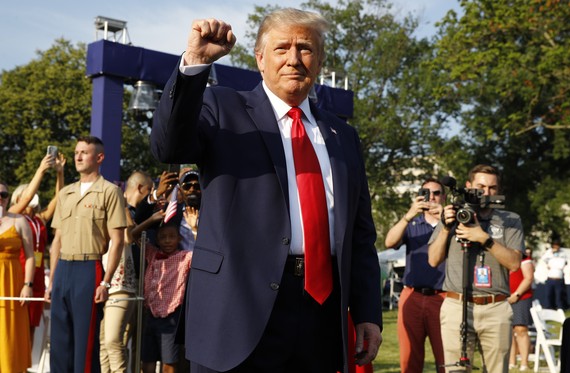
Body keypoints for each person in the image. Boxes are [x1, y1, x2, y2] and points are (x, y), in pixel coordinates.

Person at [150, 7, 382, 373]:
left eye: (305, 48)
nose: (294, 59)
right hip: (236, 311)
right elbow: (169, 146)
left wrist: (368, 312)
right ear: (259, 58)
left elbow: (360, 233)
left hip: (319, 315)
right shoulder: (222, 107)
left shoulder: (343, 137)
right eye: (281, 48)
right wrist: (195, 63)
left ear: (319, 60)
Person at [428, 164, 523, 373]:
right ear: (468, 186)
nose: (486, 193)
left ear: (498, 190)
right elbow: (433, 260)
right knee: (456, 370)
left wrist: (484, 239)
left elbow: (515, 263)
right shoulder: (452, 214)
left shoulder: (510, 220)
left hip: (495, 306)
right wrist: (445, 227)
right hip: (456, 303)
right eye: (480, 187)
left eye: (492, 188)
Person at [46, 135, 127, 373]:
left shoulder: (110, 192)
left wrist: (106, 281)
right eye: (76, 152)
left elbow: (118, 240)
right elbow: (57, 240)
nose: (78, 156)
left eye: (84, 152)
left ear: (99, 157)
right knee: (59, 343)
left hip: (89, 269)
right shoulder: (65, 193)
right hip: (62, 269)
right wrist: (52, 281)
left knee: (85, 343)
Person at [384, 178, 446, 373]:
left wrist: (446, 219)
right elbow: (389, 242)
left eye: (436, 193)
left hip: (444, 297)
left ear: (444, 196)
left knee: (446, 359)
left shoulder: (451, 222)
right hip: (412, 295)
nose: (432, 197)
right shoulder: (413, 222)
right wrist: (408, 215)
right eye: (426, 193)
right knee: (410, 359)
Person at [9, 152, 65, 343]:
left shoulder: (39, 219)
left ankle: (25, 368)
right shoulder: (12, 218)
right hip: (21, 275)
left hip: (39, 276)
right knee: (16, 325)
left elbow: (58, 200)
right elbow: (26, 198)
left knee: (32, 325)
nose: (33, 199)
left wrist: (60, 174)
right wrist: (41, 170)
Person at [100, 171, 153, 373]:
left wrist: (120, 204)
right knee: (105, 343)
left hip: (121, 284)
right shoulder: (103, 212)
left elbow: (129, 236)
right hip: (102, 282)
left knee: (114, 341)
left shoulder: (123, 211)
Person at [134, 222, 193, 373]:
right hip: (151, 314)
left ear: (179, 238)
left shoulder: (184, 257)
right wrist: (151, 219)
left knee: (169, 361)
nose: (167, 241)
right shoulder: (152, 254)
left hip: (171, 317)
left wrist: (194, 229)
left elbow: (200, 253)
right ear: (157, 240)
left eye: (172, 237)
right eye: (163, 237)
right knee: (147, 359)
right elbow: (133, 235)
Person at [0, 181, 35, 372]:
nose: (0, 198)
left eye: (4, 195)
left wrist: (27, 284)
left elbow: (30, 256)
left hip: (11, 281)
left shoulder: (19, 221)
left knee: (9, 331)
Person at [507, 251, 534, 371]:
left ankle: (524, 362)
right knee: (508, 331)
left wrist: (516, 294)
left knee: (521, 329)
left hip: (521, 297)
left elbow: (528, 278)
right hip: (505, 298)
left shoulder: (524, 258)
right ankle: (511, 361)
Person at [540, 236, 568, 310]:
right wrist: (551, 253)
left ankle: (560, 309)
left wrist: (553, 263)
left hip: (559, 278)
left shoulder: (563, 253)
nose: (556, 247)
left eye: (557, 245)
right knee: (548, 295)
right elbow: (543, 258)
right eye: (555, 245)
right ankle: (548, 308)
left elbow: (562, 264)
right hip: (550, 278)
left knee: (559, 296)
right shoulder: (549, 252)